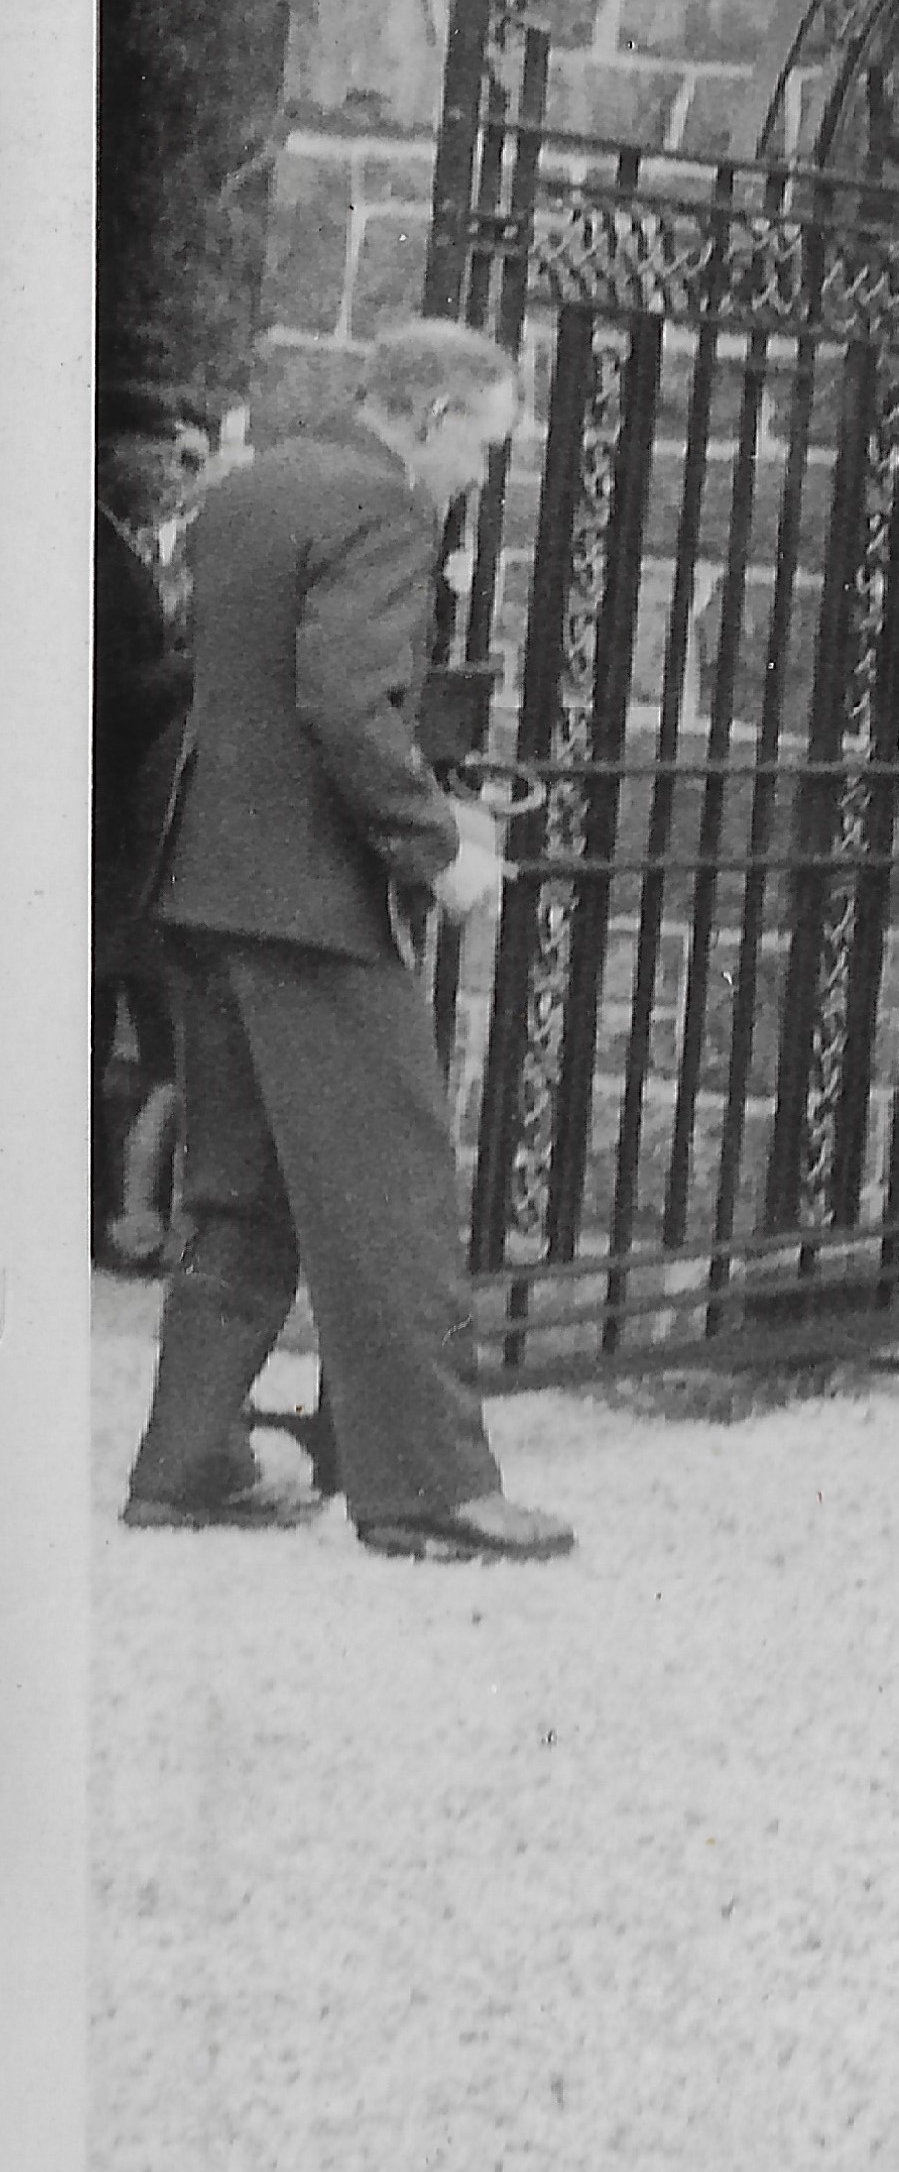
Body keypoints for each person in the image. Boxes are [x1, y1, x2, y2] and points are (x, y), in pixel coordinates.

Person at [123, 318, 565, 1561]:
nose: (480, 474)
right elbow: (342, 706)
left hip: (207, 888)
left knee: (238, 1189)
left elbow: (242, 690)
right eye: (482, 446)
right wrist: (444, 849)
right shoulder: (384, 511)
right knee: (395, 1193)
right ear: (431, 418)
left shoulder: (252, 490)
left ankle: (188, 1458)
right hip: (315, 909)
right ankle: (429, 1488)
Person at [94, 390, 202, 1267]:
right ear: (111, 449)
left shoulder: (125, 549)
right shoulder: (91, 553)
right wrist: (195, 667)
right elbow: (108, 699)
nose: (173, 474)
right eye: (162, 453)